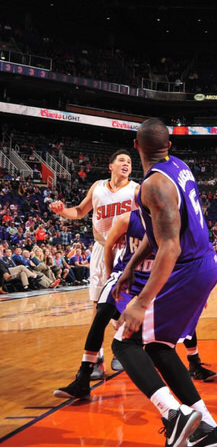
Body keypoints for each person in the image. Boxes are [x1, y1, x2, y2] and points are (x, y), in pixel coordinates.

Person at [111, 119, 217, 447]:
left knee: (124, 341)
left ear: (136, 146)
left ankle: (174, 415)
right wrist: (132, 265)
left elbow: (170, 245)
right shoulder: (178, 167)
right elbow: (159, 231)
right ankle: (208, 429)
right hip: (204, 262)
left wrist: (141, 302)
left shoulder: (152, 186)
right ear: (168, 146)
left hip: (187, 266)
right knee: (160, 346)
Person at [53, 210, 217, 401]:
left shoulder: (170, 220)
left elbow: (182, 256)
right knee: (103, 311)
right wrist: (110, 277)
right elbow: (109, 246)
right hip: (128, 274)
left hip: (156, 277)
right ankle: (84, 376)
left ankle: (194, 363)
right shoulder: (127, 219)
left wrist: (197, 291)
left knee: (179, 316)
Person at [49, 149, 138, 379]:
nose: (126, 164)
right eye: (121, 160)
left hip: (124, 250)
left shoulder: (136, 189)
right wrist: (62, 211)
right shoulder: (97, 187)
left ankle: (123, 349)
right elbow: (79, 211)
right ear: (111, 165)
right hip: (100, 250)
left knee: (121, 305)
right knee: (98, 307)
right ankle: (97, 359)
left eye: (129, 161)